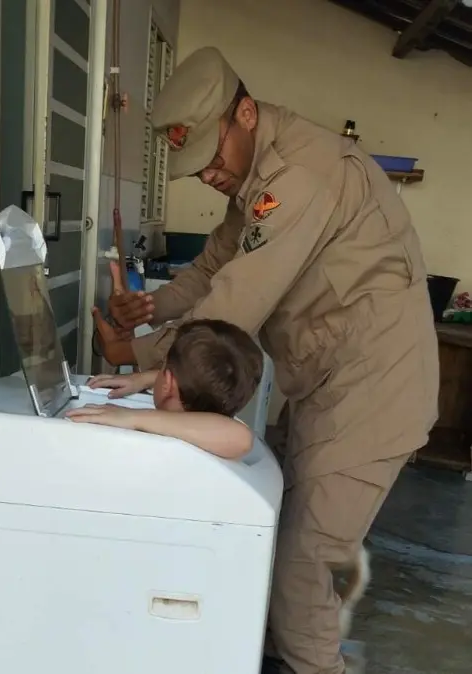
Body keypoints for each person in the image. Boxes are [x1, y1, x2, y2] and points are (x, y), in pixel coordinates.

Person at [100, 46, 439, 674]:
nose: (207, 176)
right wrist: (149, 308)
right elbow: (210, 269)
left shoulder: (302, 174)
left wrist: (143, 358)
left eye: (210, 158)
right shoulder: (254, 187)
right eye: (194, 167)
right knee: (283, 547)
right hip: (326, 387)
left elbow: (237, 302)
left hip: (374, 392)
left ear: (245, 115)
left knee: (303, 568)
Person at [67, 312, 263, 460]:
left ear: (168, 384)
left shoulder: (225, 439)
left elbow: (242, 438)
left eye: (162, 368)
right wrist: (146, 379)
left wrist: (132, 416)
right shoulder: (214, 436)